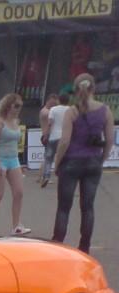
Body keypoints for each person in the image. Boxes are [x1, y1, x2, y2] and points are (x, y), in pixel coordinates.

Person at [52, 73, 115, 254]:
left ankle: (57, 244)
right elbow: (109, 140)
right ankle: (84, 246)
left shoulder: (71, 112)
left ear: (75, 89)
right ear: (93, 88)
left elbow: (65, 141)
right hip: (93, 161)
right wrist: (102, 158)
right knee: (87, 207)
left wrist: (57, 162)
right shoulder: (105, 111)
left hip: (71, 161)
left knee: (64, 207)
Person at [0, 93, 29, 236]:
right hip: (0, 159)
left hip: (13, 159)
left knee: (19, 192)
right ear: (8, 106)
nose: (18, 109)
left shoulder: (16, 122)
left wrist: (20, 164)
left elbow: (15, 144)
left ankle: (16, 225)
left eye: (20, 106)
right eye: (16, 106)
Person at [41, 92, 70, 188]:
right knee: (64, 158)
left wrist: (46, 135)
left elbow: (50, 123)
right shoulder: (70, 110)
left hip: (53, 137)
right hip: (65, 137)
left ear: (59, 100)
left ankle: (46, 176)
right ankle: (64, 177)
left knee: (48, 158)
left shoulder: (53, 109)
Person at [37, 94, 58, 186]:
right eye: (52, 102)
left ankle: (40, 176)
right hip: (47, 135)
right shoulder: (45, 111)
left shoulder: (49, 111)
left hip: (49, 135)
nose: (53, 104)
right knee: (48, 157)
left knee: (47, 157)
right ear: (48, 100)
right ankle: (43, 176)